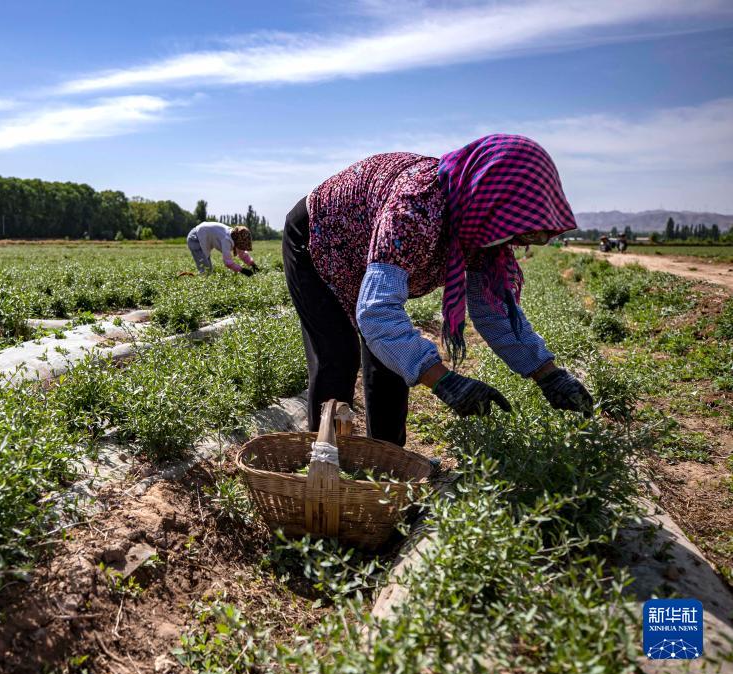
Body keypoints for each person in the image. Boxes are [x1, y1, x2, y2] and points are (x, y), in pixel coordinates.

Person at [282, 134, 594, 446]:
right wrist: (444, 381)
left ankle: (386, 461)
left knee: (392, 359)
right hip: (318, 239)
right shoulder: (414, 209)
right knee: (337, 356)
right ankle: (324, 460)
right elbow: (377, 314)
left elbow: (494, 312)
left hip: (361, 247)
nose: (521, 241)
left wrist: (548, 373)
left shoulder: (479, 225)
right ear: (494, 200)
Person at [186, 222, 258, 276]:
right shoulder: (226, 240)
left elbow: (242, 253)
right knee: (206, 271)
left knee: (208, 270)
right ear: (238, 241)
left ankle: (194, 276)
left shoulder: (235, 235)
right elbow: (228, 263)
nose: (242, 246)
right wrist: (243, 270)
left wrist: (252, 264)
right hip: (195, 238)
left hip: (201, 236)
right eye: (242, 244)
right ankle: (193, 281)